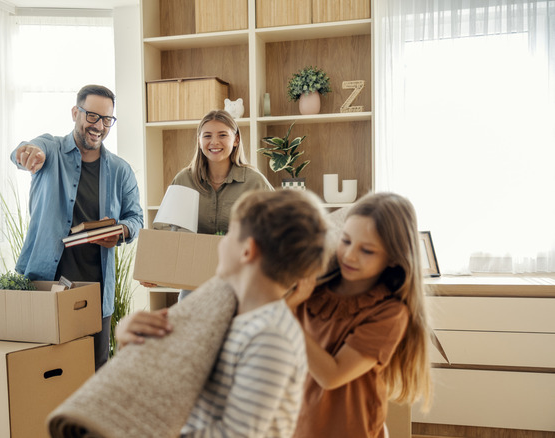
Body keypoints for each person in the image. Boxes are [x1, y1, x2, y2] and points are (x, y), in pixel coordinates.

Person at [118, 189, 329, 437]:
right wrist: (128, 338)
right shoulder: (225, 313)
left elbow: (237, 434)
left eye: (229, 234)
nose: (221, 242)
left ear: (247, 251)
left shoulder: (271, 337)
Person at [11, 84, 143, 370]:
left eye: (107, 119)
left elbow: (136, 218)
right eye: (92, 116)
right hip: (45, 286)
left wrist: (121, 232)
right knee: (43, 373)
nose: (99, 126)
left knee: (94, 375)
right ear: (75, 113)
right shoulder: (51, 150)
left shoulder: (121, 170)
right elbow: (25, 151)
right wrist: (28, 154)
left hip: (95, 293)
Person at [289, 192, 432, 438]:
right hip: (299, 425)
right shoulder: (311, 288)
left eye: (367, 250)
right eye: (345, 241)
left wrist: (286, 312)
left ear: (393, 258)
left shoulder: (390, 313)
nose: (350, 255)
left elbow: (331, 375)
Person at [143, 109, 274, 300]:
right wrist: (154, 270)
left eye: (222, 135)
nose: (214, 142)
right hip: (194, 285)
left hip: (241, 283)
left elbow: (277, 227)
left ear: (236, 139)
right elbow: (164, 229)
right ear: (199, 140)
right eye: (207, 136)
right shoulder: (184, 179)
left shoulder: (254, 181)